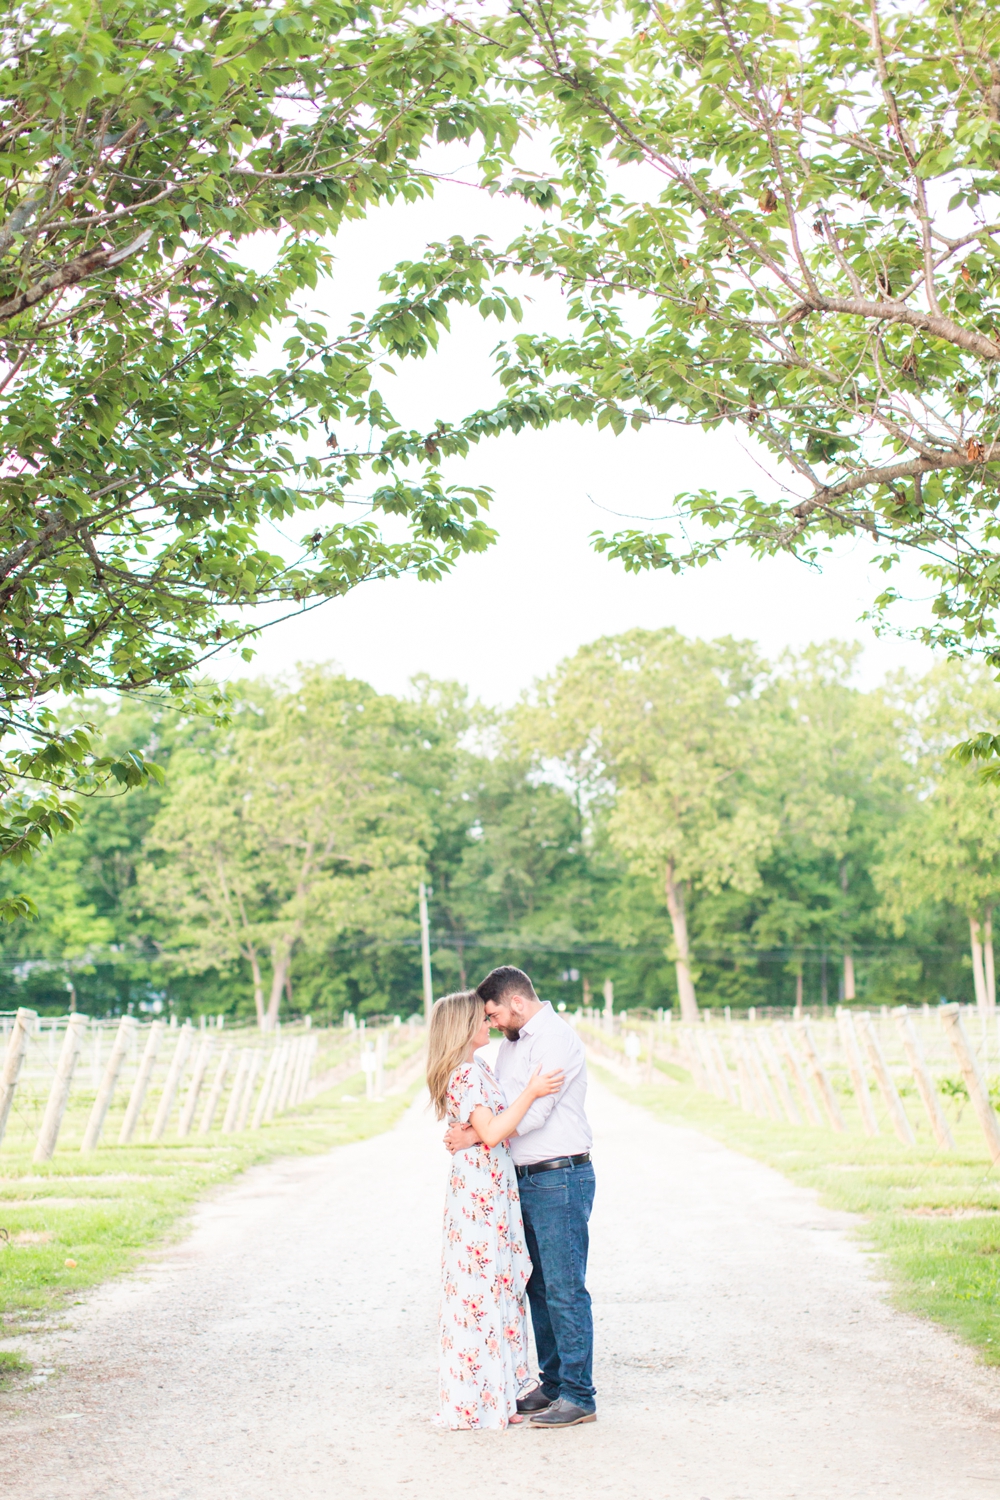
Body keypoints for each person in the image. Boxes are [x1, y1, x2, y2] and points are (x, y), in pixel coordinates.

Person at [444, 965, 597, 1429]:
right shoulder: (507, 1050)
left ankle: (578, 1393)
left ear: (515, 1003)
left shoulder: (555, 1040)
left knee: (565, 1287)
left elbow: (536, 1112)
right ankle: (552, 1383)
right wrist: (485, 1128)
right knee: (536, 1285)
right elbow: (503, 1106)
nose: (489, 1023)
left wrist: (477, 1135)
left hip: (558, 1176)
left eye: (492, 1013)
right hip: (520, 1179)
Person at [427, 988, 564, 1431]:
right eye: (479, 1018)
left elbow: (483, 1131)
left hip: (489, 1187)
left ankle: (496, 1389)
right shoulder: (466, 1075)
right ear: (462, 1027)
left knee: (497, 1281)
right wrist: (532, 1091)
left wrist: (474, 1135)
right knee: (483, 1285)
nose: (488, 1022)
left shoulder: (477, 1067)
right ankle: (480, 1398)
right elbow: (493, 1130)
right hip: (480, 1194)